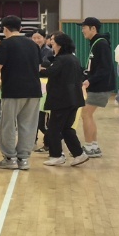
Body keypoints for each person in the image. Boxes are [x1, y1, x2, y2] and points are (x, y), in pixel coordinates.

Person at [0, 16, 42, 170]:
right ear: (20, 28)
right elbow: (38, 68)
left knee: (8, 125)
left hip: (13, 90)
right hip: (33, 90)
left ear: (5, 29)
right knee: (28, 125)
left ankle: (10, 158)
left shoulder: (6, 44)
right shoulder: (33, 45)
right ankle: (23, 159)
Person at [41, 33, 91, 166]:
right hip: (73, 98)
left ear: (60, 45)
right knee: (66, 128)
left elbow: (50, 72)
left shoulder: (62, 60)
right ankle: (79, 154)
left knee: (54, 128)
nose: (52, 43)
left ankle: (56, 155)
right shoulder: (72, 58)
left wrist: (38, 70)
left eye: (54, 41)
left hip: (62, 99)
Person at [79, 17, 116, 158]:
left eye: (84, 27)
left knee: (85, 114)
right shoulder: (96, 43)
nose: (82, 30)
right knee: (88, 114)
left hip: (100, 86)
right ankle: (94, 146)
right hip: (98, 85)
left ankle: (89, 147)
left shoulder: (101, 44)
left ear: (93, 28)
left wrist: (90, 80)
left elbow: (105, 68)